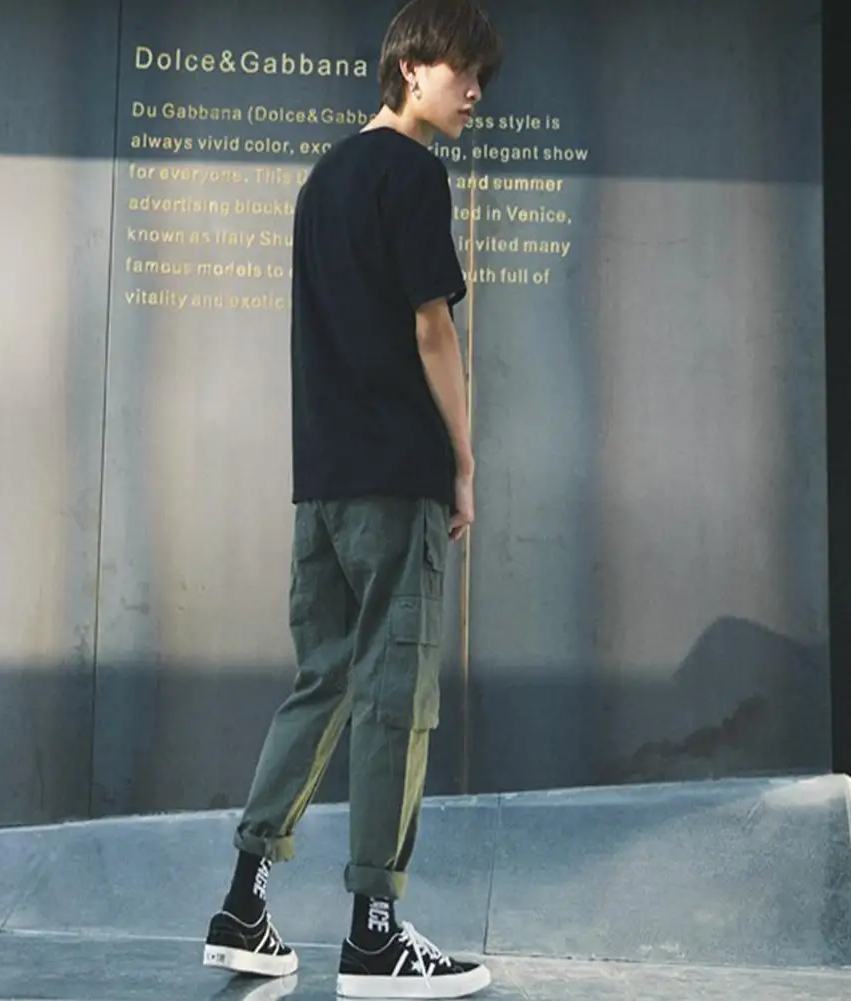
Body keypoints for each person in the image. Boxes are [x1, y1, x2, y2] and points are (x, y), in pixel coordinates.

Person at [203, 1, 502, 996]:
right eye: (462, 70)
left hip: (322, 484)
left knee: (322, 681)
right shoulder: (413, 173)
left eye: (480, 78)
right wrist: (461, 459)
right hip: (394, 476)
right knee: (392, 699)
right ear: (410, 67)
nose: (474, 92)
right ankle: (374, 931)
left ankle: (242, 900)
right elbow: (431, 329)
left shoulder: (322, 179)